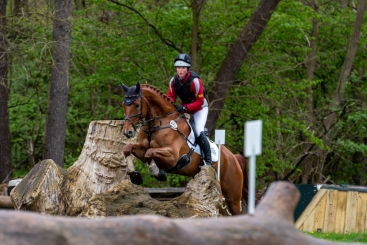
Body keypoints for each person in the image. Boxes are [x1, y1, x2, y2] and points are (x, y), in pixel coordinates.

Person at [167, 53, 213, 167]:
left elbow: (199, 102)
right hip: (185, 107)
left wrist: (184, 108)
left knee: (198, 130)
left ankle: (209, 162)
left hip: (200, 108)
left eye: (183, 68)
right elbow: (171, 98)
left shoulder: (195, 81)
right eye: (178, 67)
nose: (180, 70)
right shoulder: (173, 81)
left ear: (187, 69)